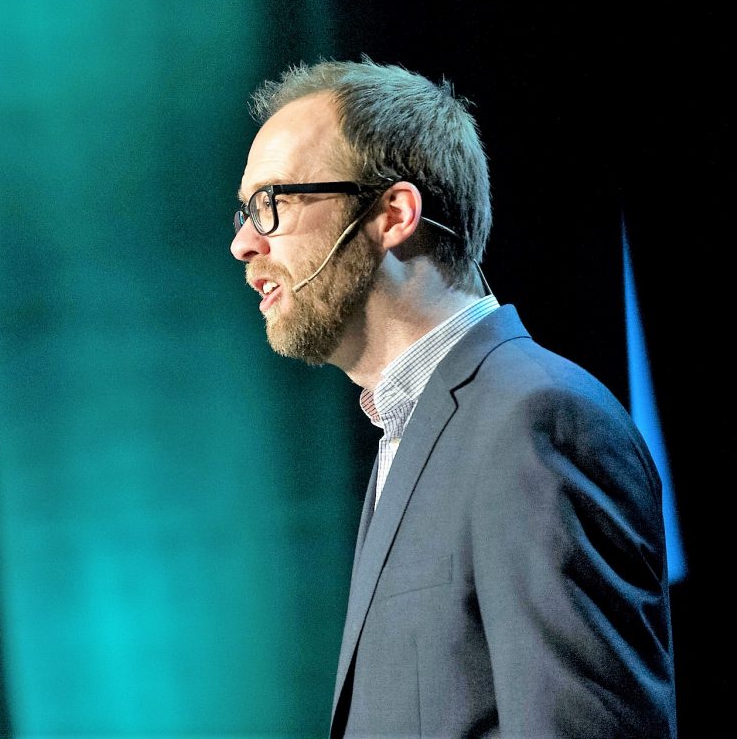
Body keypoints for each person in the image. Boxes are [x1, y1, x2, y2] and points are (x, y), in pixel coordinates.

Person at [230, 59, 676, 737]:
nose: (243, 242)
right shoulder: (411, 427)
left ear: (394, 213)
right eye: (245, 211)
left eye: (273, 205)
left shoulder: (538, 422)